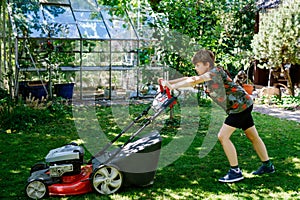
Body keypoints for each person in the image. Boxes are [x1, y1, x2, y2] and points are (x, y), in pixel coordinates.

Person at [161, 49, 275, 183]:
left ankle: (235, 171)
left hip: (239, 107)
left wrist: (172, 86)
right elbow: (189, 79)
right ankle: (267, 166)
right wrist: (169, 83)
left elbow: (193, 81)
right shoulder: (207, 76)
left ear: (207, 64)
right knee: (252, 136)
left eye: (198, 65)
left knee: (222, 136)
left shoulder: (216, 72)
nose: (195, 68)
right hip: (242, 105)